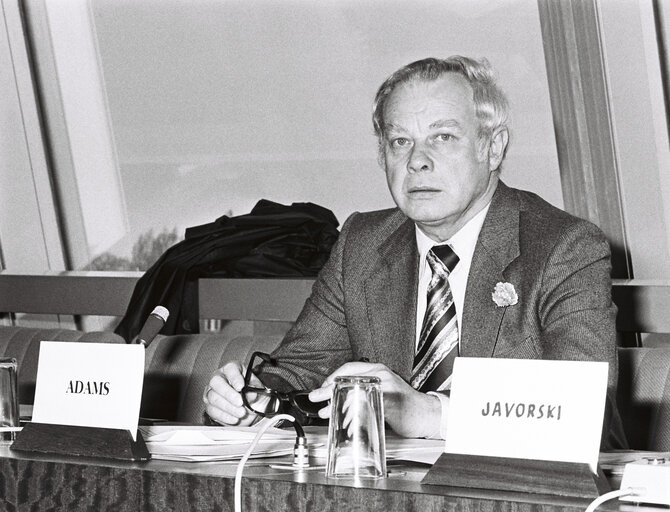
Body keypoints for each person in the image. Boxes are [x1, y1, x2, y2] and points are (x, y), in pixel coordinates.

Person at [202, 56, 626, 448]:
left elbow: (584, 410)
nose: (417, 161)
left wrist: (427, 414)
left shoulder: (564, 247)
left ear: (492, 148)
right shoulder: (362, 243)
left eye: (442, 137)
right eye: (400, 141)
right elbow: (298, 369)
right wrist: (253, 403)